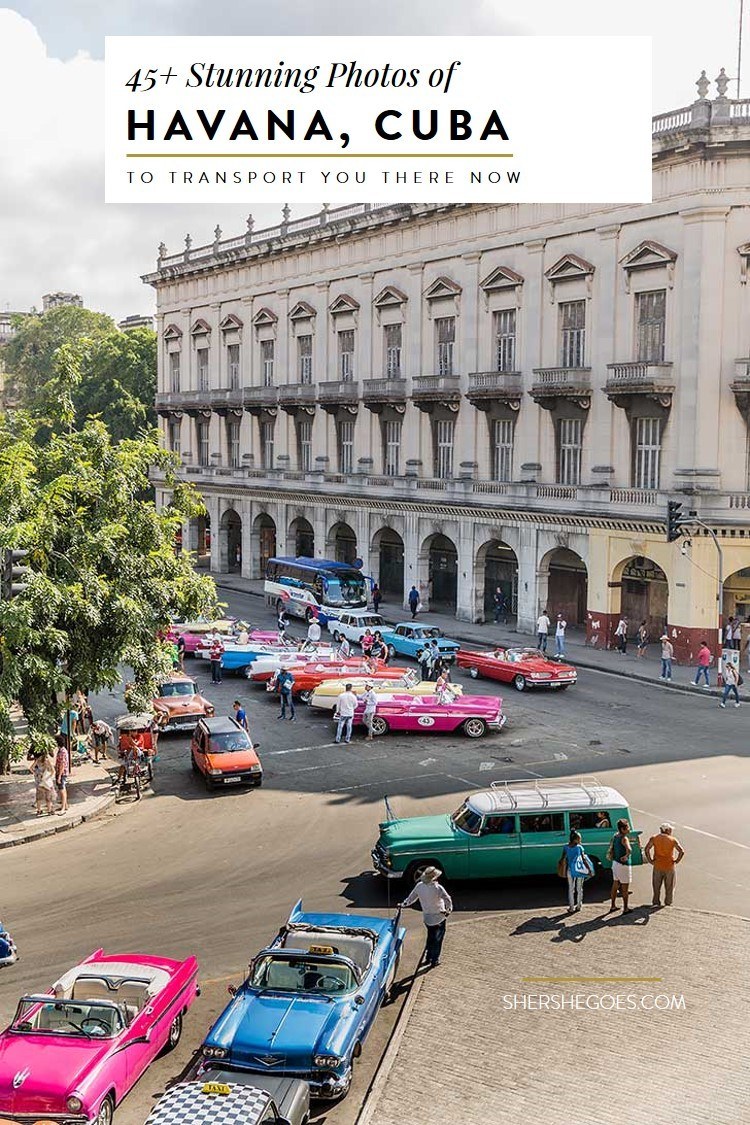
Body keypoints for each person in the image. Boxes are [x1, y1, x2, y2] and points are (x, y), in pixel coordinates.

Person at [400, 867, 452, 969]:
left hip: (427, 918)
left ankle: (428, 957)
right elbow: (447, 899)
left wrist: (403, 904)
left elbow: (411, 898)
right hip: (439, 917)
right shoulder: (438, 888)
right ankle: (434, 960)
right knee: (438, 939)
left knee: (430, 937)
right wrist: (448, 910)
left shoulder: (419, 886)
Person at [644, 822, 685, 907]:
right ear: (667, 830)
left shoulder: (654, 838)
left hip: (657, 865)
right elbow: (681, 851)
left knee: (656, 887)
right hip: (669, 866)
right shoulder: (672, 840)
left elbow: (647, 849)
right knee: (669, 887)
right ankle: (668, 903)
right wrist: (677, 860)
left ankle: (656, 902)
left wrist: (650, 860)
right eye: (670, 830)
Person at [560, 829, 594, 913]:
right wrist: (589, 870)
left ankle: (571, 907)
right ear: (575, 839)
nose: (580, 840)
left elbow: (563, 858)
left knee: (571, 889)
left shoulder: (565, 847)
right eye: (579, 838)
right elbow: (583, 860)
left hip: (570, 869)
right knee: (579, 888)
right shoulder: (579, 847)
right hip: (579, 870)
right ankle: (578, 906)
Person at [608, 819, 633, 914]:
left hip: (615, 863)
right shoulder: (624, 838)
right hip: (623, 865)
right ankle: (625, 908)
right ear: (623, 829)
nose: (629, 829)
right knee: (625, 888)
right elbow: (629, 850)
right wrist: (626, 856)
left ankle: (613, 905)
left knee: (615, 885)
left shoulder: (615, 836)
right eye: (627, 827)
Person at [31, 749, 56, 815]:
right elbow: (53, 771)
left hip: (39, 781)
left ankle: (39, 810)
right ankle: (49, 810)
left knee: (39, 796)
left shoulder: (37, 761)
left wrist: (36, 774)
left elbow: (31, 768)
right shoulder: (47, 761)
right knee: (48, 796)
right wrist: (48, 777)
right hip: (46, 782)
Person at [54, 735, 70, 814]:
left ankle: (63, 808)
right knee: (61, 789)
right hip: (59, 772)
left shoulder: (62, 752)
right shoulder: (60, 750)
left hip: (62, 773)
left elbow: (62, 765)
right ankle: (65, 805)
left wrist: (59, 776)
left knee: (62, 789)